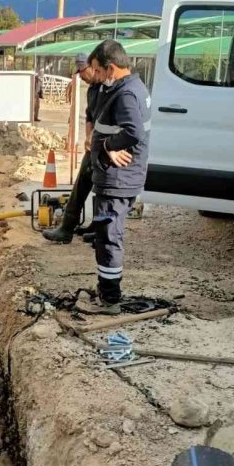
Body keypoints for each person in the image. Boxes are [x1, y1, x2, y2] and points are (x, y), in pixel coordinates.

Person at [88, 39, 151, 308]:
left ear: (111, 68)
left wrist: (106, 146)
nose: (97, 78)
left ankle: (111, 298)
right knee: (105, 236)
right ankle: (106, 288)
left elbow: (133, 132)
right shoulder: (128, 87)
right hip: (114, 177)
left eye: (99, 72)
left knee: (109, 237)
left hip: (117, 179)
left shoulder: (125, 94)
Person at [43, 51, 101, 243]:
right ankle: (67, 227)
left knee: (103, 188)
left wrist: (95, 138)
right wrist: (88, 136)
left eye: (82, 71)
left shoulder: (109, 89)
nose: (81, 75)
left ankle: (97, 228)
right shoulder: (93, 90)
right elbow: (90, 116)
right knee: (82, 184)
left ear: (93, 67)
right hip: (94, 145)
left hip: (107, 147)